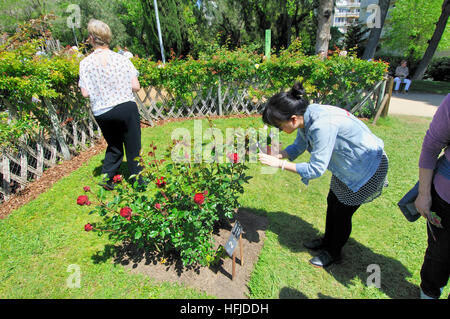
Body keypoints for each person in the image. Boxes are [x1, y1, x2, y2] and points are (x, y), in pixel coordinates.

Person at [258, 82, 389, 268]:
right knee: (333, 203)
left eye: (279, 126)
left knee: (342, 213)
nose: (280, 131)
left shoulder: (321, 125)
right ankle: (327, 241)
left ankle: (333, 252)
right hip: (348, 167)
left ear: (293, 119)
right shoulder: (308, 115)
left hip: (366, 170)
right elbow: (299, 145)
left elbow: (316, 169)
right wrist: (280, 154)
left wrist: (280, 164)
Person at [78, 19, 142, 190]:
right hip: (125, 107)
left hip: (102, 111)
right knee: (133, 146)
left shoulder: (84, 64)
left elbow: (85, 92)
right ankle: (139, 182)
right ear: (108, 38)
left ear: (91, 38)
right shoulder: (121, 59)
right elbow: (136, 86)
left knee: (114, 145)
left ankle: (107, 178)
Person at [414, 94, 450, 299]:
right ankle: (429, 292)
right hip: (446, 201)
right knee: (439, 256)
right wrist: (423, 194)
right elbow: (431, 147)